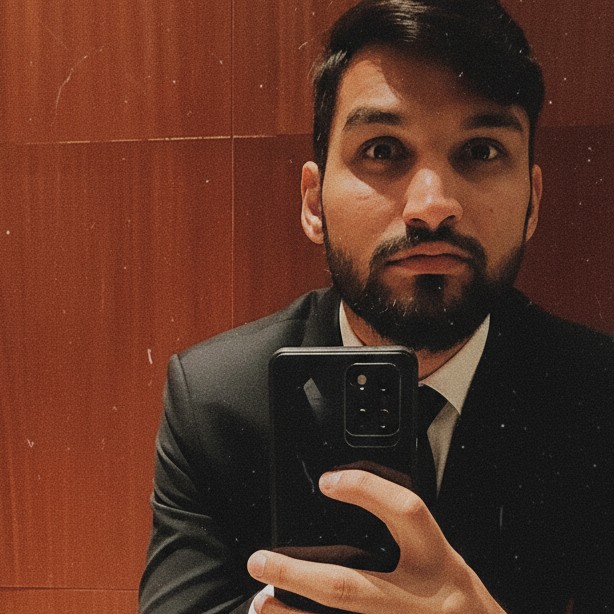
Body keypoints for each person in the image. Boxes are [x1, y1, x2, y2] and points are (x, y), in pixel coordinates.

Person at [139, 0, 614, 612]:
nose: (432, 206)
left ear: (532, 204)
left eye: (481, 151)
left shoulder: (599, 395)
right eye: (383, 150)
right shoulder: (217, 399)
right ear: (314, 202)